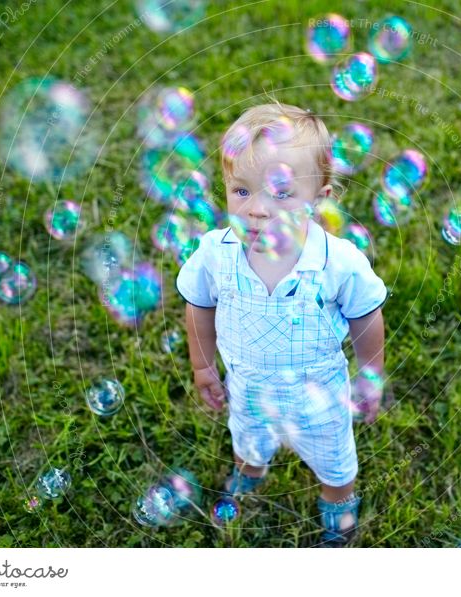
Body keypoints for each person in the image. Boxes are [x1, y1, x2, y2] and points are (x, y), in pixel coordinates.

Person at [176, 103, 387, 546]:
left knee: (334, 459)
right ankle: (252, 469)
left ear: (321, 198)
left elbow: (366, 316)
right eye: (241, 191)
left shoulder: (337, 261)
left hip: (321, 396)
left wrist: (369, 376)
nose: (257, 210)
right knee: (248, 439)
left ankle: (338, 499)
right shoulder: (217, 253)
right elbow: (199, 305)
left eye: (281, 192)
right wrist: (202, 367)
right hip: (248, 385)